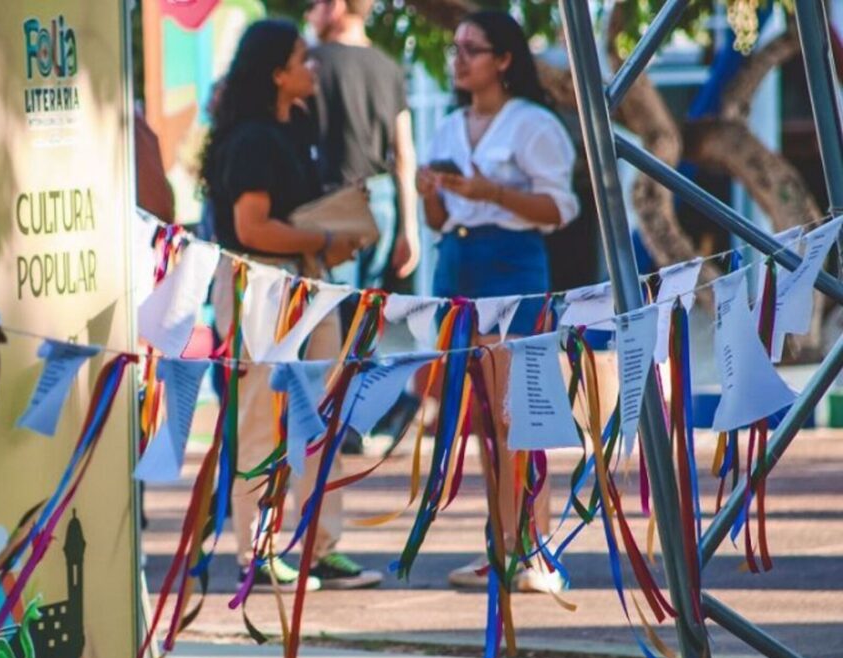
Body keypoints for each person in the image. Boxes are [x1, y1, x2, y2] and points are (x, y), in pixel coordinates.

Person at [200, 19, 383, 592]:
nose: (315, 68)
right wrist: (325, 240)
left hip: (305, 283)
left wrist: (339, 219)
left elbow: (292, 215)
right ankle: (258, 551)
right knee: (263, 420)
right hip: (263, 285)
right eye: (305, 59)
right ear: (278, 73)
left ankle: (317, 546)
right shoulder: (252, 138)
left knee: (320, 416)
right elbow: (251, 227)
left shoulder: (295, 126)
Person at [416, 10, 580, 592]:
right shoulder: (449, 124)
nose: (458, 60)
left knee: (519, 409)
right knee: (482, 418)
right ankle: (501, 543)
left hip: (511, 263)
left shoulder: (532, 124)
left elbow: (559, 210)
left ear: (504, 60)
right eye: (456, 49)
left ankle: (533, 549)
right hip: (458, 265)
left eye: (472, 50)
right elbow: (440, 219)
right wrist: (430, 193)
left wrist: (493, 193)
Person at [306, 0, 422, 453]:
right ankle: (362, 413)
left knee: (329, 317)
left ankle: (335, 418)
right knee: (364, 319)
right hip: (382, 200)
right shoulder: (388, 66)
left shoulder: (316, 61)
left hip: (332, 201)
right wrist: (409, 227)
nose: (311, 14)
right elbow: (403, 151)